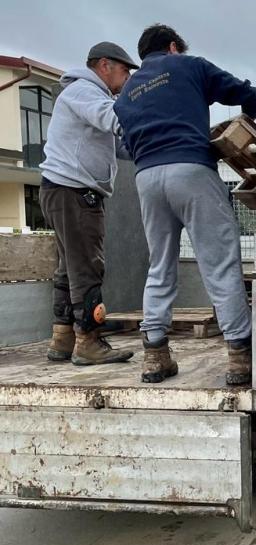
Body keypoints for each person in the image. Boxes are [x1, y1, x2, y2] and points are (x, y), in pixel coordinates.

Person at [114, 24, 256, 385]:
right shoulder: (189, 65)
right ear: (173, 47)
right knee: (219, 262)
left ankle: (155, 356)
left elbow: (126, 147)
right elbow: (245, 94)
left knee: (160, 265)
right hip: (192, 169)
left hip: (147, 179)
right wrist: (247, 117)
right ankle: (239, 357)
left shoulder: (126, 93)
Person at [39, 42, 139, 366]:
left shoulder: (86, 95)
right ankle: (89, 341)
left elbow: (119, 145)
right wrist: (151, 115)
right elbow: (113, 119)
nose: (126, 81)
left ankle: (63, 337)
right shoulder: (85, 91)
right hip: (73, 192)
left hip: (62, 191)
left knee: (69, 267)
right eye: (125, 72)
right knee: (86, 268)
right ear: (105, 66)